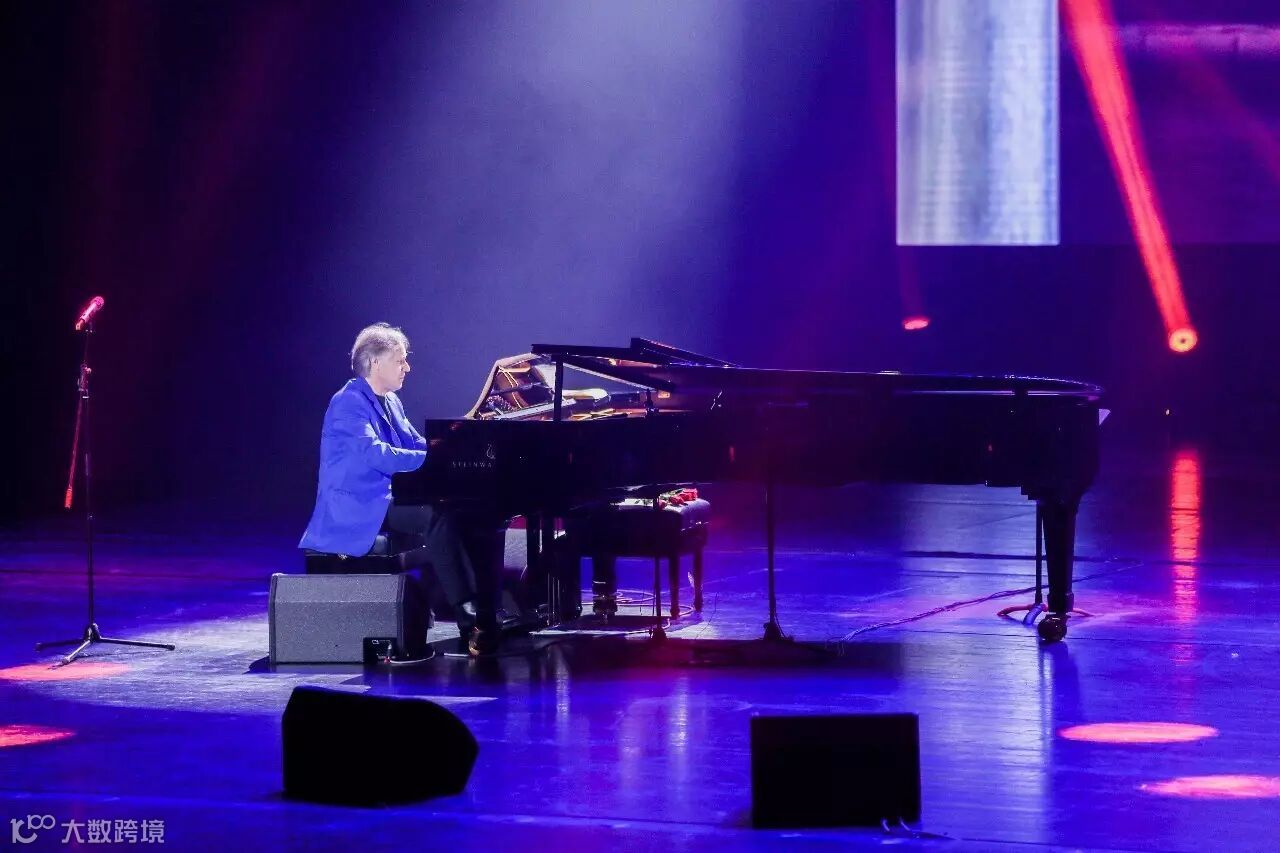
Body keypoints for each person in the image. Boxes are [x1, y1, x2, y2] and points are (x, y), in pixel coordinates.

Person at [298, 323, 502, 655]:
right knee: (436, 515)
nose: (407, 367)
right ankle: (468, 617)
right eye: (400, 360)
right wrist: (433, 458)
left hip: (386, 498)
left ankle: (487, 610)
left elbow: (416, 443)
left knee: (464, 511)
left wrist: (455, 450)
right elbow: (374, 453)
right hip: (358, 506)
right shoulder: (347, 402)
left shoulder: (391, 401)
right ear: (375, 362)